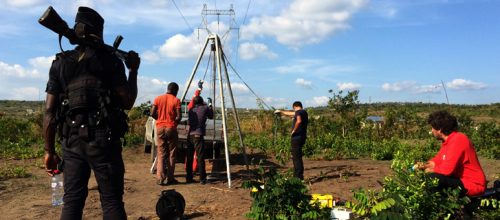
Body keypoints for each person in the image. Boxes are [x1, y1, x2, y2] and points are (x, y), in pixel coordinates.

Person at [43, 6, 140, 220]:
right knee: (112, 201)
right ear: (99, 31)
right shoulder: (111, 61)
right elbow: (127, 102)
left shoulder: (59, 64)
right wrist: (133, 71)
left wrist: (49, 151)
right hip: (103, 141)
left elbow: (49, 112)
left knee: (72, 201)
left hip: (72, 141)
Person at [414, 110, 486, 197]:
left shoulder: (458, 139)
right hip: (459, 179)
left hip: (471, 184)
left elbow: (446, 170)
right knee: (430, 177)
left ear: (439, 129)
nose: (432, 130)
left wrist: (427, 170)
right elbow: (437, 160)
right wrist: (423, 165)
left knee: (434, 178)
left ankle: (441, 207)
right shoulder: (448, 141)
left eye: (432, 128)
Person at [151, 82, 182, 185]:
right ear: (175, 90)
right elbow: (179, 116)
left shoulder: (158, 98)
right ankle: (170, 178)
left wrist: (159, 119)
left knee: (161, 153)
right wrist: (174, 123)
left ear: (168, 88)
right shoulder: (176, 100)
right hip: (170, 128)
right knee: (172, 153)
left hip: (159, 127)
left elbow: (152, 113)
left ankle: (160, 177)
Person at [274, 101, 308, 180]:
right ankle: (298, 175)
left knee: (296, 158)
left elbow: (298, 120)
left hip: (296, 137)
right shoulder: (304, 112)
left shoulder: (298, 112)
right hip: (302, 137)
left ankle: (298, 177)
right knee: (298, 157)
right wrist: (281, 112)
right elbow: (292, 114)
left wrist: (294, 130)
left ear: (295, 107)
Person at [186, 95, 214, 184]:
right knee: (200, 157)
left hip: (190, 135)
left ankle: (189, 178)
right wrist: (210, 105)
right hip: (198, 135)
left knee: (190, 157)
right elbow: (211, 116)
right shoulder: (205, 108)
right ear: (202, 102)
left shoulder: (191, 110)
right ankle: (202, 178)